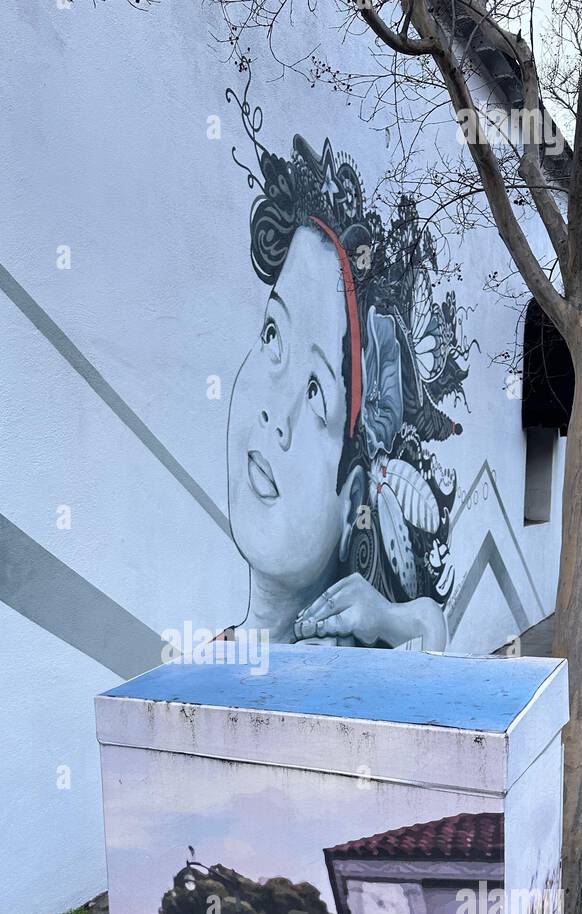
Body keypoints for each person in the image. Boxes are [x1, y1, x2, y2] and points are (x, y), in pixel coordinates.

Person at [224, 94, 470, 651]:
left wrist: (400, 619)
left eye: (316, 393)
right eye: (272, 337)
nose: (275, 417)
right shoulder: (198, 672)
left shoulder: (358, 672)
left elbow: (433, 643)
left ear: (352, 496)